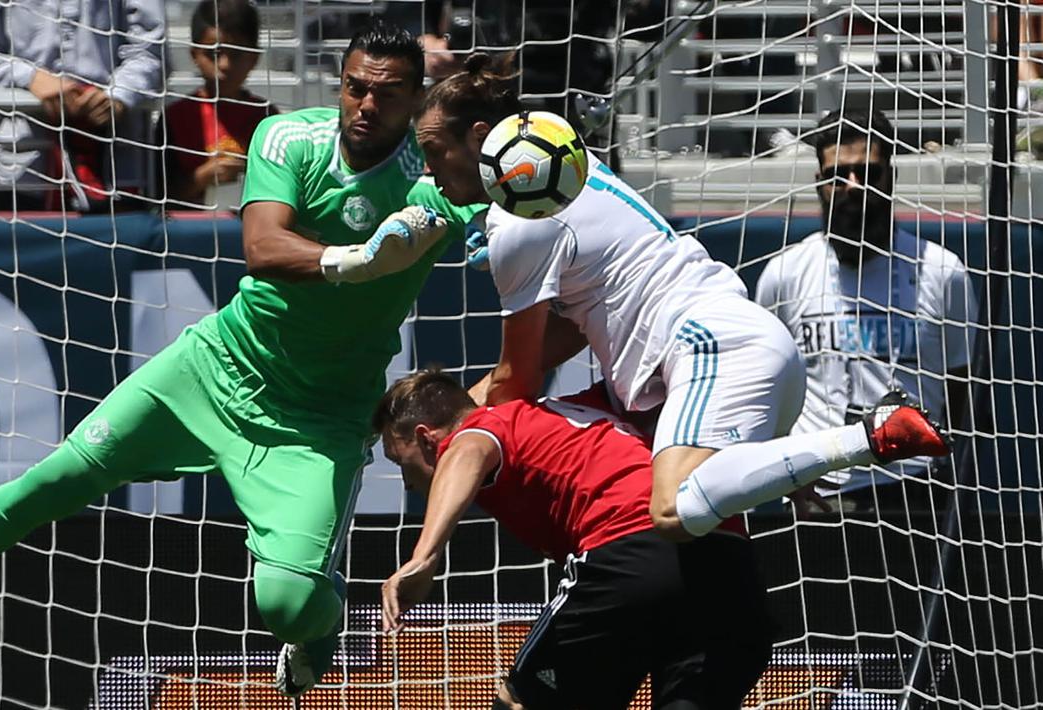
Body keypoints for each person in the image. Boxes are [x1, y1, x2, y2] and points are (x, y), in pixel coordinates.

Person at [0, 22, 480, 701]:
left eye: (388, 95)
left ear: (416, 98)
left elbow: (474, 214)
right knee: (48, 483)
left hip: (317, 418)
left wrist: (466, 229)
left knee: (286, 603)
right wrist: (355, 259)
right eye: (354, 88)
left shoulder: (430, 176)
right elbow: (263, 247)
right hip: (213, 370)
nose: (365, 107)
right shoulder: (289, 137)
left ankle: (319, 625)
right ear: (338, 82)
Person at [414, 54, 953, 545]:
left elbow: (517, 382)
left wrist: (459, 422)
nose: (429, 172)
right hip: (746, 352)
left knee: (670, 508)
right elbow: (577, 327)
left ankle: (871, 436)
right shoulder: (576, 167)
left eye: (435, 152)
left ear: (480, 137)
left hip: (710, 349)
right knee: (690, 526)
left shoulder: (518, 221)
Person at [375, 369, 773, 709]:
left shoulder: (487, 427)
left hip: (633, 549)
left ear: (428, 439)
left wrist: (424, 556)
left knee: (520, 701)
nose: (407, 482)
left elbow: (468, 451)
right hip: (729, 561)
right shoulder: (588, 407)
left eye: (400, 462)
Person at [754, 109, 975, 513]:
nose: (853, 186)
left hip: (911, 488)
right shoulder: (784, 275)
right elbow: (764, 391)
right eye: (838, 174)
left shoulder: (943, 272)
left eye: (868, 173)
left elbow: (962, 390)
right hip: (815, 491)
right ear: (820, 183)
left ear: (892, 179)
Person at [0, 0, 165, 212]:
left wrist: (120, 94)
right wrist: (31, 78)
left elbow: (150, 51)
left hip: (116, 166)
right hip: (25, 165)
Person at [161, 0, 276, 207]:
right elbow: (156, 196)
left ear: (254, 58)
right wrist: (202, 177)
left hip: (247, 229)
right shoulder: (175, 117)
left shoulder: (267, 117)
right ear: (194, 54)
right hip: (186, 231)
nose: (225, 65)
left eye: (237, 54)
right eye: (213, 53)